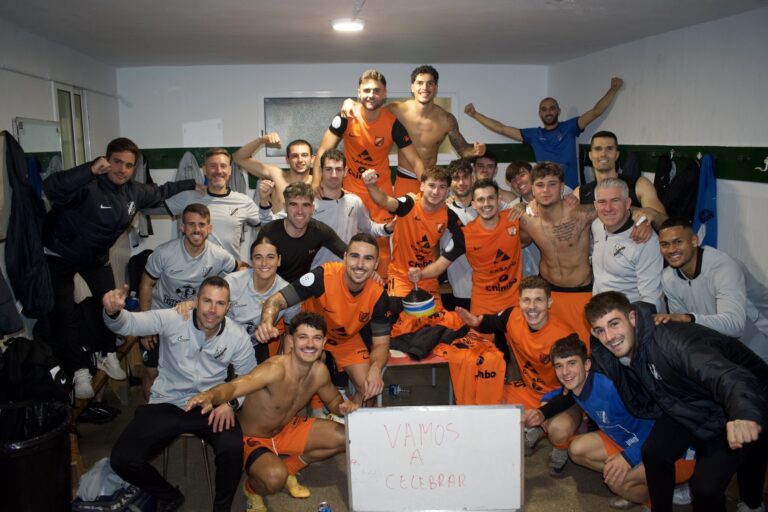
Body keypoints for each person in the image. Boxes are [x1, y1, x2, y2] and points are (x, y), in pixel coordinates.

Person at [42, 137, 198, 399]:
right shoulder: (87, 184)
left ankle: (107, 353)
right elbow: (52, 187)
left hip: (96, 257)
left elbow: (161, 191)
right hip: (60, 253)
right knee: (64, 312)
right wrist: (89, 170)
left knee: (112, 303)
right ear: (106, 160)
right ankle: (79, 370)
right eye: (117, 162)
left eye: (128, 165)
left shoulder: (134, 191)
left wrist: (192, 183)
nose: (122, 170)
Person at [585, 291, 768, 512]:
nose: (609, 336)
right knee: (654, 452)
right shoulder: (620, 352)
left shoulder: (671, 341)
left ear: (632, 318)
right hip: (689, 398)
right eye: (600, 330)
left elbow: (727, 376)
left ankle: (752, 503)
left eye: (614, 323)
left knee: (705, 489)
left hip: (743, 399)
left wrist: (744, 413)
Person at [105, 277, 257, 512]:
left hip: (211, 404)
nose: (212, 310)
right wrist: (113, 312)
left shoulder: (237, 337)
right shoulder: (173, 318)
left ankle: (222, 508)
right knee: (122, 459)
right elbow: (129, 325)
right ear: (196, 301)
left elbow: (250, 377)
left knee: (233, 449)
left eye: (219, 303)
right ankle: (169, 494)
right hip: (168, 402)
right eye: (207, 301)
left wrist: (231, 401)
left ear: (228, 307)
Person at [186, 312, 358, 512]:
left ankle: (290, 470)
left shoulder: (319, 371)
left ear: (324, 342)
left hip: (285, 429)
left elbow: (334, 400)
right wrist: (211, 395)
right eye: (303, 337)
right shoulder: (275, 368)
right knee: (273, 478)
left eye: (316, 338)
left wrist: (343, 407)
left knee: (345, 437)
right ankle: (251, 489)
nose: (310, 344)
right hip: (252, 437)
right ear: (291, 341)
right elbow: (236, 387)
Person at [524, 335, 694, 510]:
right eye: (559, 366)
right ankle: (643, 487)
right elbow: (562, 397)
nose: (565, 372)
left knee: (615, 481)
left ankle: (659, 492)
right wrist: (542, 411)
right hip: (627, 441)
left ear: (587, 365)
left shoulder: (613, 388)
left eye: (572, 363)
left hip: (672, 454)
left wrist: (630, 457)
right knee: (576, 451)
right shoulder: (577, 384)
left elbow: (663, 429)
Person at [456, 276, 580, 475]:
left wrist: (544, 412)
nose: (532, 307)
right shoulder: (512, 316)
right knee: (485, 402)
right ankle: (537, 426)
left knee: (559, 431)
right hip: (529, 391)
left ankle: (559, 443)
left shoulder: (564, 338)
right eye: (526, 300)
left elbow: (575, 390)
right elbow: (493, 322)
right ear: (519, 302)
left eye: (539, 300)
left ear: (549, 302)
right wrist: (476, 322)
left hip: (562, 398)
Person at [256, 233, 390, 406]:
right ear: (345, 257)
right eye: (355, 256)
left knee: (368, 389)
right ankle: (300, 425)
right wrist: (266, 321)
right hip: (311, 335)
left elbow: (381, 344)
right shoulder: (323, 277)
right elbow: (276, 300)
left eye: (368, 259)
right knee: (292, 384)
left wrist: (375, 369)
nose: (360, 265)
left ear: (376, 264)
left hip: (345, 339)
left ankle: (349, 422)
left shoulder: (379, 295)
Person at [138, 203, 238, 400]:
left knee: (204, 372)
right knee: (152, 372)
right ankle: (152, 415)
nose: (197, 229)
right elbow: (146, 285)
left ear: (209, 228)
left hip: (198, 321)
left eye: (202, 224)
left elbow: (240, 272)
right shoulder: (164, 253)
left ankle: (197, 414)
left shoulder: (219, 255)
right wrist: (145, 326)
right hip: (163, 318)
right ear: (182, 227)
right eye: (191, 224)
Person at [341, 65, 485, 197]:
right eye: (420, 83)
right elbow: (370, 108)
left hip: (431, 181)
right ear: (412, 87)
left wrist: (478, 150)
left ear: (436, 88)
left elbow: (463, 150)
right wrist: (350, 102)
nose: (425, 87)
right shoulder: (397, 110)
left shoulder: (446, 119)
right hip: (405, 178)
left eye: (430, 83)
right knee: (404, 224)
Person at [465, 77, 624, 188]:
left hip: (571, 192)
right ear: (540, 113)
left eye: (552, 108)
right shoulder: (534, 135)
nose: (548, 112)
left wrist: (613, 89)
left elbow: (595, 112)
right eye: (544, 109)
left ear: (558, 111)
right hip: (545, 192)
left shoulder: (570, 127)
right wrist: (475, 114)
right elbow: (501, 128)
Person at [362, 166, 464, 336]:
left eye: (442, 187)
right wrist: (372, 186)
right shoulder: (409, 204)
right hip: (400, 276)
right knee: (399, 319)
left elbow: (464, 241)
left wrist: (423, 274)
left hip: (427, 278)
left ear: (447, 191)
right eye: (432, 185)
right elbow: (386, 201)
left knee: (436, 323)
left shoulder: (449, 216)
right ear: (422, 186)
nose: (436, 191)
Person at [314, 69, 424, 223]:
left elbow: (416, 161)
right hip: (349, 191)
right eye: (366, 90)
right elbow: (323, 151)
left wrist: (428, 187)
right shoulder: (347, 116)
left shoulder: (393, 124)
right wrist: (315, 182)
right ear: (359, 93)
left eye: (376, 91)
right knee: (349, 240)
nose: (371, 95)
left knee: (382, 240)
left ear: (385, 93)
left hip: (380, 192)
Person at [655, 218, 768, 361]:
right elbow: (685, 329)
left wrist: (689, 318)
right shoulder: (668, 278)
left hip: (757, 338)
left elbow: (735, 325)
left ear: (694, 241)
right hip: (720, 345)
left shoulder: (724, 267)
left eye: (678, 242)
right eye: (665, 244)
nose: (671, 250)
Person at [258, 148, 390, 267]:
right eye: (328, 169)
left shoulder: (354, 201)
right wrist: (264, 200)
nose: (333, 175)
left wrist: (388, 228)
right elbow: (270, 224)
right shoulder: (308, 203)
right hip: (317, 274)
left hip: (347, 272)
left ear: (345, 172)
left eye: (338, 169)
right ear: (321, 171)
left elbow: (369, 228)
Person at [409, 179, 524, 314]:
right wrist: (421, 274)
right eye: (481, 200)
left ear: (498, 200)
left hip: (515, 302)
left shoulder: (513, 218)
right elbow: (441, 264)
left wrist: (526, 206)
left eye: (490, 198)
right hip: (484, 304)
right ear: (474, 205)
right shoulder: (465, 234)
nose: (486, 204)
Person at [164, 148, 261, 260]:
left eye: (223, 166)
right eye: (213, 166)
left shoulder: (243, 201)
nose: (219, 171)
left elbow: (268, 222)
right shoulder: (189, 197)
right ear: (205, 170)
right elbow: (151, 207)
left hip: (229, 273)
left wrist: (264, 201)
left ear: (229, 170)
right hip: (194, 273)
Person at [225, 235, 300, 363]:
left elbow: (290, 334)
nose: (264, 263)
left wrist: (286, 365)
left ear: (279, 260)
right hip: (225, 341)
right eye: (258, 257)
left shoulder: (288, 294)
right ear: (251, 261)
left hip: (257, 344)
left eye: (270, 257)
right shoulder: (232, 283)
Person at [591, 178, 663, 311]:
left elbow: (651, 299)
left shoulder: (645, 239)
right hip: (600, 315)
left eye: (615, 200)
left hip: (631, 321)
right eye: (602, 202)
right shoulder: (596, 226)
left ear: (628, 203)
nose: (608, 208)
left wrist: (639, 327)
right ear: (595, 205)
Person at [575, 131, 667, 230]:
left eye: (609, 149)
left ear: (617, 154)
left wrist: (652, 214)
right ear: (590, 155)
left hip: (635, 243)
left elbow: (665, 224)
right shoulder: (580, 193)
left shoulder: (639, 184)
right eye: (598, 149)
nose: (603, 154)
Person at [258, 182, 347, 282]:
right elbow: (259, 271)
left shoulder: (319, 230)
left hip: (300, 291)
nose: (299, 211)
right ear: (285, 207)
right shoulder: (269, 232)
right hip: (271, 289)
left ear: (312, 209)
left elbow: (348, 253)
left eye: (305, 205)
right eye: (294, 204)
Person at [232, 134, 314, 212]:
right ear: (287, 159)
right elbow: (238, 158)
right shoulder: (277, 175)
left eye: (304, 155)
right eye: (294, 156)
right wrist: (261, 140)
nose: (300, 160)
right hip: (278, 225)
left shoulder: (317, 182)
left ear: (312, 159)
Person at [442, 158, 477, 310]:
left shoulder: (487, 207)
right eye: (456, 178)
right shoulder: (441, 210)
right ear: (450, 182)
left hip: (487, 290)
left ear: (473, 178)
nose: (461, 182)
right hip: (457, 289)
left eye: (465, 177)